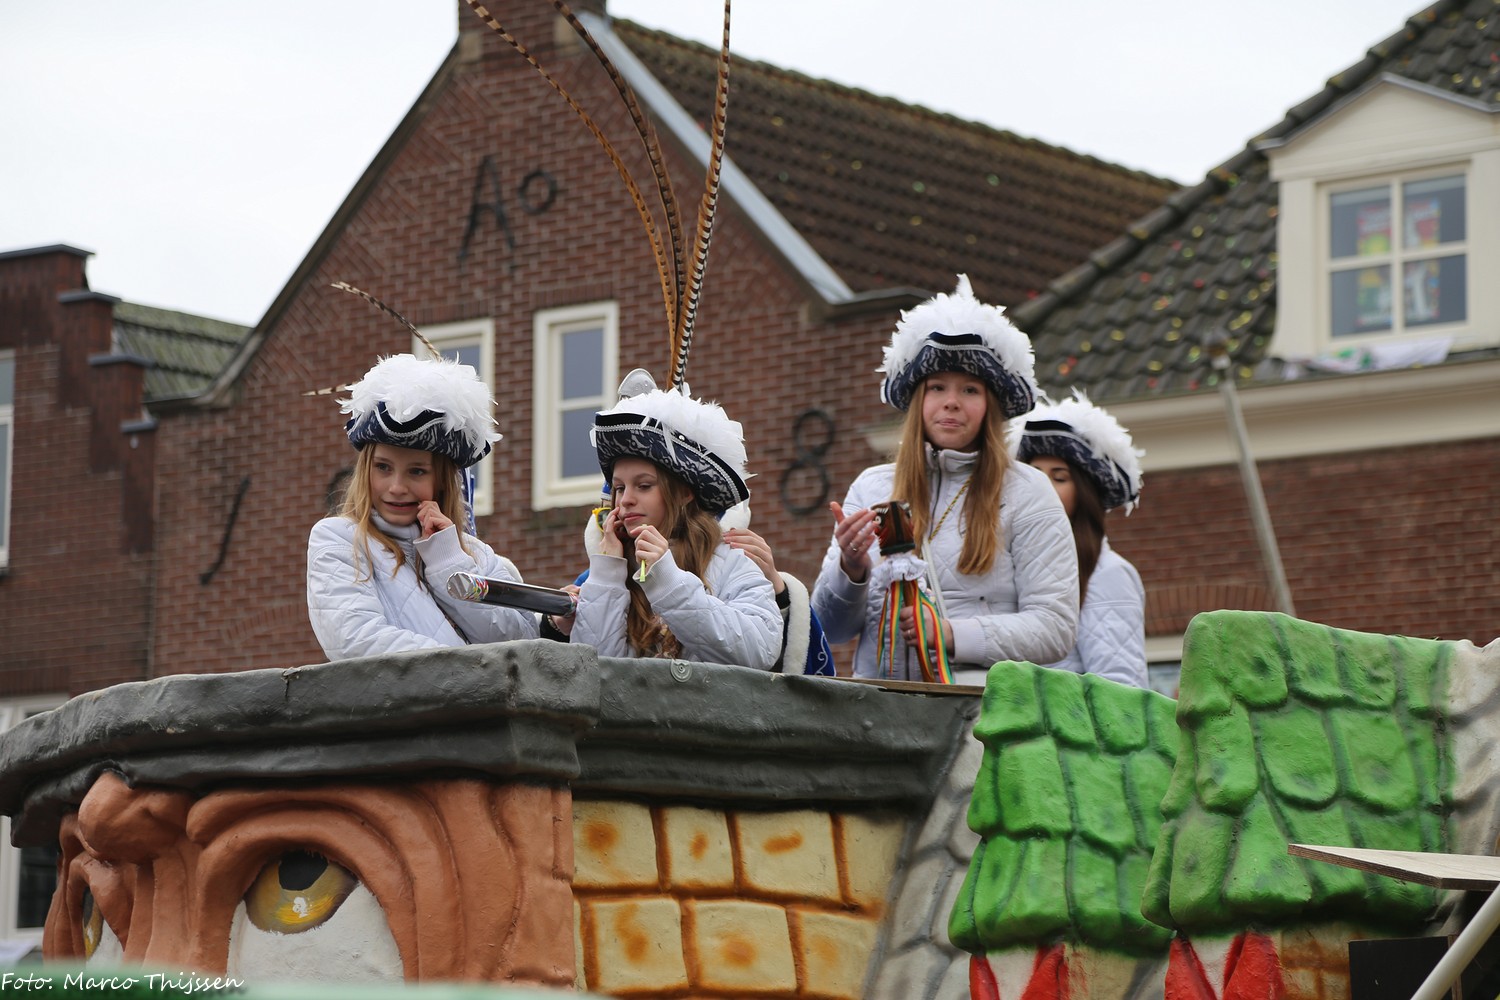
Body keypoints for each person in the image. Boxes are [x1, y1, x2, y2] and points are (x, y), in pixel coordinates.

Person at [811, 275, 1079, 684]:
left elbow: (1055, 627)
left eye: (970, 390)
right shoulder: (871, 487)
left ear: (989, 406)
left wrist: (952, 634)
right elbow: (830, 629)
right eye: (937, 387)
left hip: (980, 708)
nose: (951, 401)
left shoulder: (1028, 491)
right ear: (920, 401)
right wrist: (851, 569)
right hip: (880, 707)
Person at [307, 353, 538, 660]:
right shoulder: (338, 539)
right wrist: (471, 672)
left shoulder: (478, 555)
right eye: (383, 467)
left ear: (441, 481)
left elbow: (522, 644)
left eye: (416, 471)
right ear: (365, 471)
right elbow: (356, 640)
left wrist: (449, 562)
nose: (397, 487)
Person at [570, 384, 782, 668]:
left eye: (644, 485)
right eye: (619, 488)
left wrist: (667, 578)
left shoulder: (731, 562)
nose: (626, 499)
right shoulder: (612, 571)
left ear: (684, 493)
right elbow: (592, 669)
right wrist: (607, 574)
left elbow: (760, 650)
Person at [1017, 391, 1148, 688]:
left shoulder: (1108, 573)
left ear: (1083, 494)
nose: (1042, 486)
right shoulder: (1015, 565)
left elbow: (1120, 686)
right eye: (1033, 474)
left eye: (1059, 477)